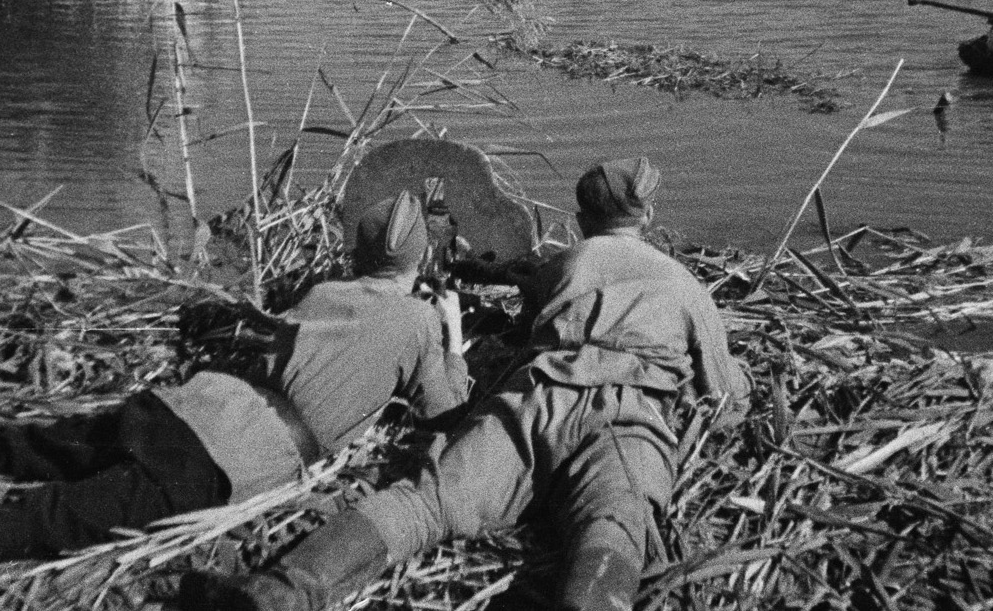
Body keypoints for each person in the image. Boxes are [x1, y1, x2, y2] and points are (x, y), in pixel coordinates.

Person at [0, 192, 469, 610]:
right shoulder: (417, 321)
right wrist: (455, 334)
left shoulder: (328, 290)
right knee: (40, 522)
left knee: (10, 443)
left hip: (184, 404)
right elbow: (447, 412)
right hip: (225, 455)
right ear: (418, 262)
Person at [180, 157, 750, 611]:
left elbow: (530, 325)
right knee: (616, 520)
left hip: (536, 399)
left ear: (583, 220)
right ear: (645, 216)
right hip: (624, 416)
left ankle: (276, 593)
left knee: (425, 501)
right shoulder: (683, 283)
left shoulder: (566, 265)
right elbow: (726, 399)